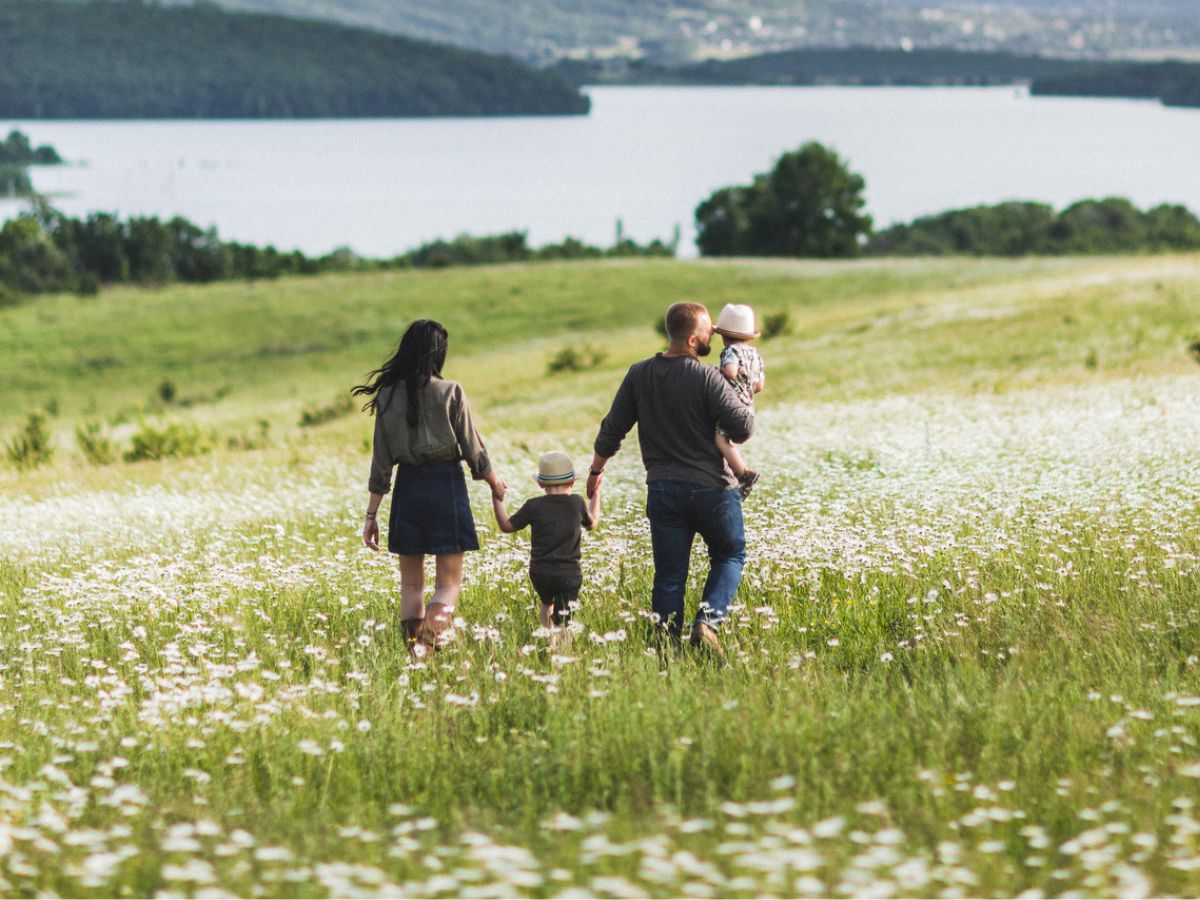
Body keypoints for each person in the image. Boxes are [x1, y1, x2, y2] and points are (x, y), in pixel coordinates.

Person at [587, 301, 753, 659]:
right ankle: (708, 623)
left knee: (669, 576)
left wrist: (596, 470)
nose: (713, 334)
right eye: (708, 329)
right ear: (693, 340)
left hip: (663, 490)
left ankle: (665, 652)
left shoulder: (639, 374)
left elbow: (612, 427)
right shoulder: (707, 377)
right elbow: (742, 429)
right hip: (713, 489)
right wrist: (745, 388)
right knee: (730, 554)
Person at [354, 319, 506, 656]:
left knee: (410, 587)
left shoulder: (387, 396)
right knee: (448, 585)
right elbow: (473, 448)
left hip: (407, 490)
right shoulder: (450, 391)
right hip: (445, 486)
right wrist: (494, 480)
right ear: (438, 354)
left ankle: (414, 655)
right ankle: (426, 649)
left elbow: (381, 461)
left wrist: (371, 515)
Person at [492, 450, 601, 649]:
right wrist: (596, 494)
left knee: (546, 601)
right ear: (572, 483)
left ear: (541, 484)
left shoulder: (533, 505)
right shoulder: (577, 502)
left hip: (539, 573)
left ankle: (546, 639)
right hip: (569, 574)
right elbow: (592, 524)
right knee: (564, 621)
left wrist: (497, 500)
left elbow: (506, 526)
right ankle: (560, 653)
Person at [712, 303, 766, 499]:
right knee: (727, 441)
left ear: (724, 336)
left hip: (732, 409)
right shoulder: (755, 355)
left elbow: (730, 371)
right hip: (749, 413)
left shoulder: (730, 352)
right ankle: (737, 473)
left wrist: (720, 376)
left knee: (719, 439)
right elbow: (759, 385)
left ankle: (743, 474)